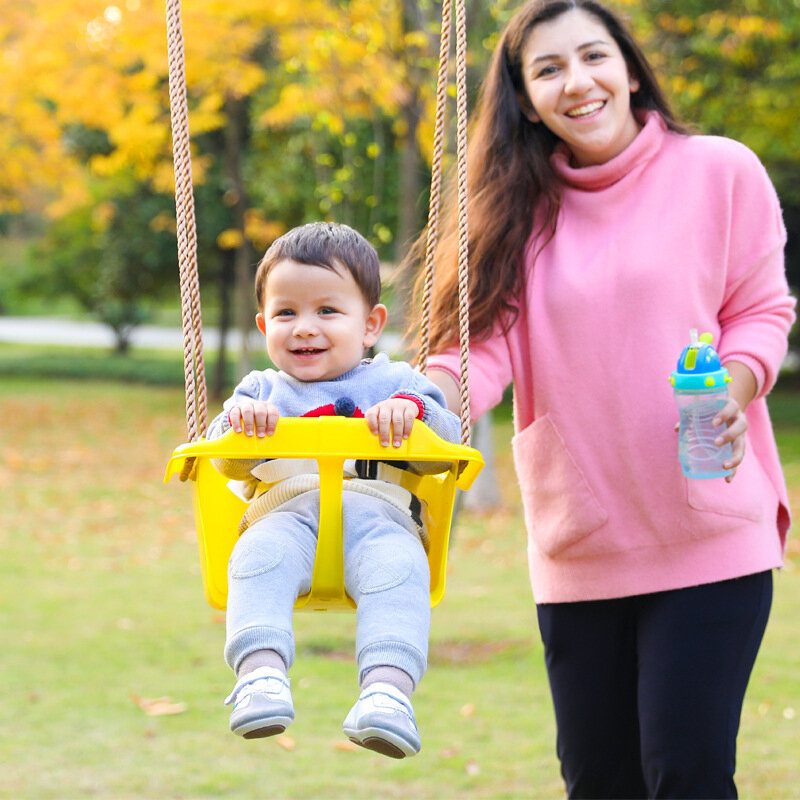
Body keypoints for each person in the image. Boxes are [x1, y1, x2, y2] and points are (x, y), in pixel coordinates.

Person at [417, 1, 796, 796]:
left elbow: (760, 310)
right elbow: (477, 350)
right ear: (525, 98)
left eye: (593, 57)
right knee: (597, 782)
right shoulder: (510, 211)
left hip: (709, 524)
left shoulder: (719, 171)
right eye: (548, 69)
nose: (577, 82)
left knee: (685, 774)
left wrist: (736, 382)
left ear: (628, 68)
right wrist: (426, 398)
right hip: (580, 541)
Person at [207, 221, 460, 759]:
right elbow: (220, 459)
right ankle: (260, 677)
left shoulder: (398, 384)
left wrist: (411, 418)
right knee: (256, 556)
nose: (304, 328)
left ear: (370, 325)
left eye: (327, 311)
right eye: (286, 312)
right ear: (262, 324)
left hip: (380, 519)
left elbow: (447, 444)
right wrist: (240, 424)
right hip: (286, 516)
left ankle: (388, 693)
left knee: (401, 570)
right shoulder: (261, 391)